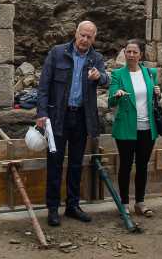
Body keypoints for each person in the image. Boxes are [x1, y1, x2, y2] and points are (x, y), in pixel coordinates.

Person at [36, 20, 109, 226]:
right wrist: (42, 112)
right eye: (82, 35)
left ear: (94, 38)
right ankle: (52, 208)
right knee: (55, 163)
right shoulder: (58, 52)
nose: (85, 40)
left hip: (82, 118)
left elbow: (105, 79)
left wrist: (98, 76)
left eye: (89, 37)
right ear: (75, 34)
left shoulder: (96, 58)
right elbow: (44, 84)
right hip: (58, 116)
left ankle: (72, 206)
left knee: (76, 163)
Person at [108, 39, 161, 217]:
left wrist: (157, 94)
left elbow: (153, 101)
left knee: (143, 166)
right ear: (124, 53)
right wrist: (117, 95)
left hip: (147, 126)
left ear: (141, 54)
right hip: (126, 127)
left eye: (134, 52)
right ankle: (124, 203)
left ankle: (140, 201)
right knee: (125, 166)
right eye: (128, 51)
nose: (131, 55)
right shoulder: (117, 74)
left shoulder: (150, 73)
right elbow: (111, 101)